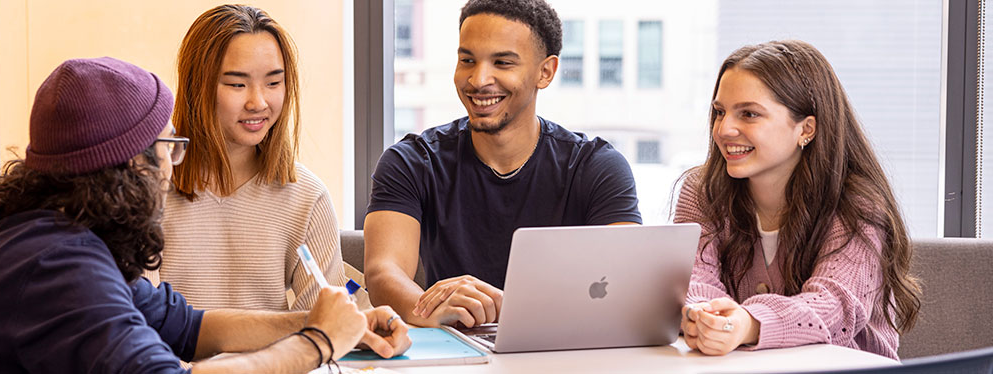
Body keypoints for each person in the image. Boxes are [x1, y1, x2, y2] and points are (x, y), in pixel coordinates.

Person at [0, 57, 409, 373]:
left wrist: (333, 322)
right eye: (167, 148)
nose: (174, 165)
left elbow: (190, 327)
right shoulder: (56, 265)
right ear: (131, 165)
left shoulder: (51, 234)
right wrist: (318, 342)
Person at [364, 0, 642, 329]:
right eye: (467, 60)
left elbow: (628, 283)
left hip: (565, 347)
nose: (479, 80)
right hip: (458, 348)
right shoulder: (410, 162)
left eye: (502, 63)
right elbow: (384, 272)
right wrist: (425, 309)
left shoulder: (598, 167)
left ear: (546, 71)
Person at [675, 40, 921, 360]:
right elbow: (689, 278)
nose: (724, 129)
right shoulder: (702, 190)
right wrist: (705, 317)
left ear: (806, 129)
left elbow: (834, 307)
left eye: (749, 114)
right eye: (720, 112)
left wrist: (748, 324)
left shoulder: (857, 204)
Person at [154, 4, 346, 311]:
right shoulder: (150, 190)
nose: (258, 102)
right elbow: (135, 327)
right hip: (163, 361)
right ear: (197, 86)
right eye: (237, 84)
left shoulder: (307, 197)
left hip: (279, 361)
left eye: (273, 83)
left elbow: (325, 329)